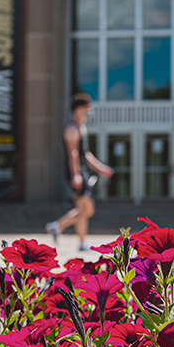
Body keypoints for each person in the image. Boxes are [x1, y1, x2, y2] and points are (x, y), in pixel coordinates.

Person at [45, 93, 113, 251]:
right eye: (86, 107)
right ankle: (81, 242)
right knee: (84, 207)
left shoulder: (82, 128)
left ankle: (57, 226)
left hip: (82, 171)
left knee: (87, 209)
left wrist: (101, 168)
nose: (89, 111)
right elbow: (73, 153)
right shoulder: (72, 129)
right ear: (78, 109)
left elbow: (85, 154)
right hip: (77, 172)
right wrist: (76, 175)